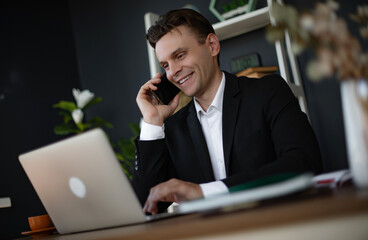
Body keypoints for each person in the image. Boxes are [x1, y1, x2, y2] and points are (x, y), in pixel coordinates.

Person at [133, 8, 322, 215]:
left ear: (212, 45)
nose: (173, 71)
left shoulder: (268, 92)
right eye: (165, 65)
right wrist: (152, 122)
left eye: (180, 55)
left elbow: (304, 162)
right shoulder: (174, 128)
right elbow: (144, 207)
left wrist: (204, 191)